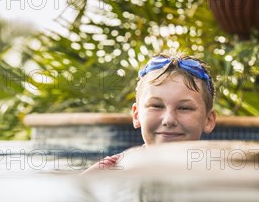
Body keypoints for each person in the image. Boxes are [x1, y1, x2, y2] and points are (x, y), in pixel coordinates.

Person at [82, 52, 217, 174]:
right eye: (156, 106)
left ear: (208, 120)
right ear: (136, 115)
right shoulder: (108, 172)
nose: (168, 120)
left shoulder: (219, 173)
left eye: (184, 108)